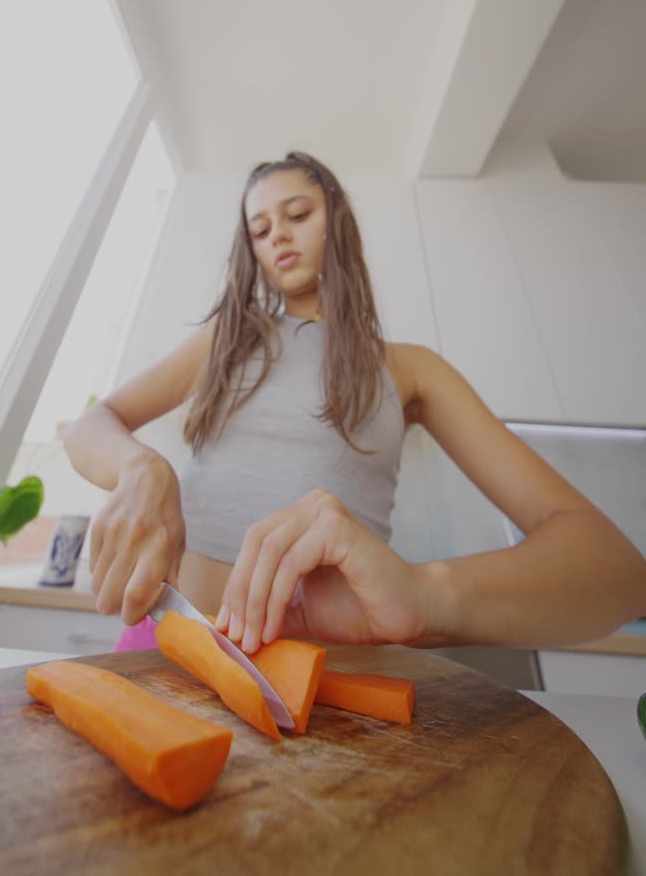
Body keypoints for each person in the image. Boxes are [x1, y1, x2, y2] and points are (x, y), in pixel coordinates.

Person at [64, 150, 646, 657]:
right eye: (260, 230)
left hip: (325, 680)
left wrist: (423, 595)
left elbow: (617, 572)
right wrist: (141, 468)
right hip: (166, 642)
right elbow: (94, 423)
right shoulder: (226, 340)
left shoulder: (411, 370)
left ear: (336, 220)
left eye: (297, 215)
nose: (279, 237)